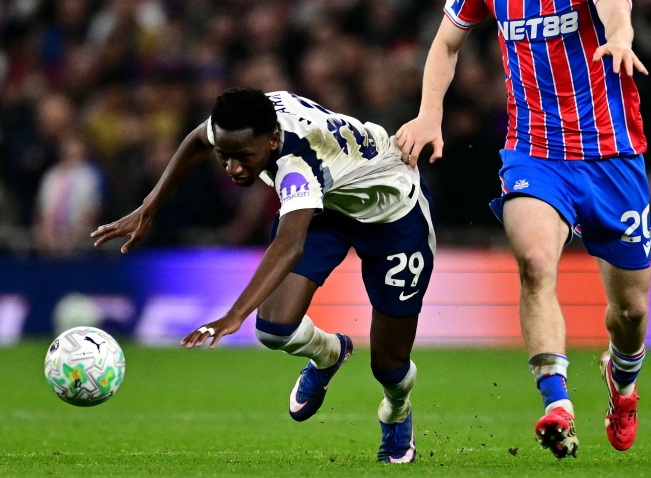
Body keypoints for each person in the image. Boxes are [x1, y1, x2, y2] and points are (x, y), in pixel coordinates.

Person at [396, 0, 651, 458]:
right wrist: (429, 113)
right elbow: (446, 44)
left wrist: (618, 39)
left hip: (612, 157)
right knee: (536, 261)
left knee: (631, 311)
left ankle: (623, 378)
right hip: (534, 153)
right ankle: (556, 401)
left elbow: (617, 9)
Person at [92, 88, 435, 464]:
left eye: (243, 157)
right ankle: (330, 354)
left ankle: (396, 412)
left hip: (393, 213)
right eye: (225, 156)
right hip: (331, 203)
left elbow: (289, 246)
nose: (233, 168)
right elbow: (196, 140)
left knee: (388, 364)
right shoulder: (246, 119)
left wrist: (234, 314)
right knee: (273, 329)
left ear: (272, 140)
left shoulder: (297, 164)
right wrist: (149, 206)